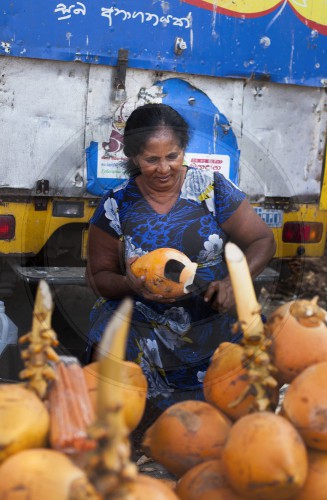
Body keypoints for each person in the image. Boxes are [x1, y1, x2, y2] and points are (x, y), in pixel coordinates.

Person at [85, 103, 276, 411]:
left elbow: (262, 240)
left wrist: (232, 283)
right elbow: (97, 276)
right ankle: (129, 420)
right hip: (146, 316)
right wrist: (129, 285)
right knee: (111, 332)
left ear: (183, 150)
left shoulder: (212, 189)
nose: (164, 168)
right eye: (151, 159)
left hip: (212, 311)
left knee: (258, 348)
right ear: (133, 157)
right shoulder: (117, 202)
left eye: (172, 156)